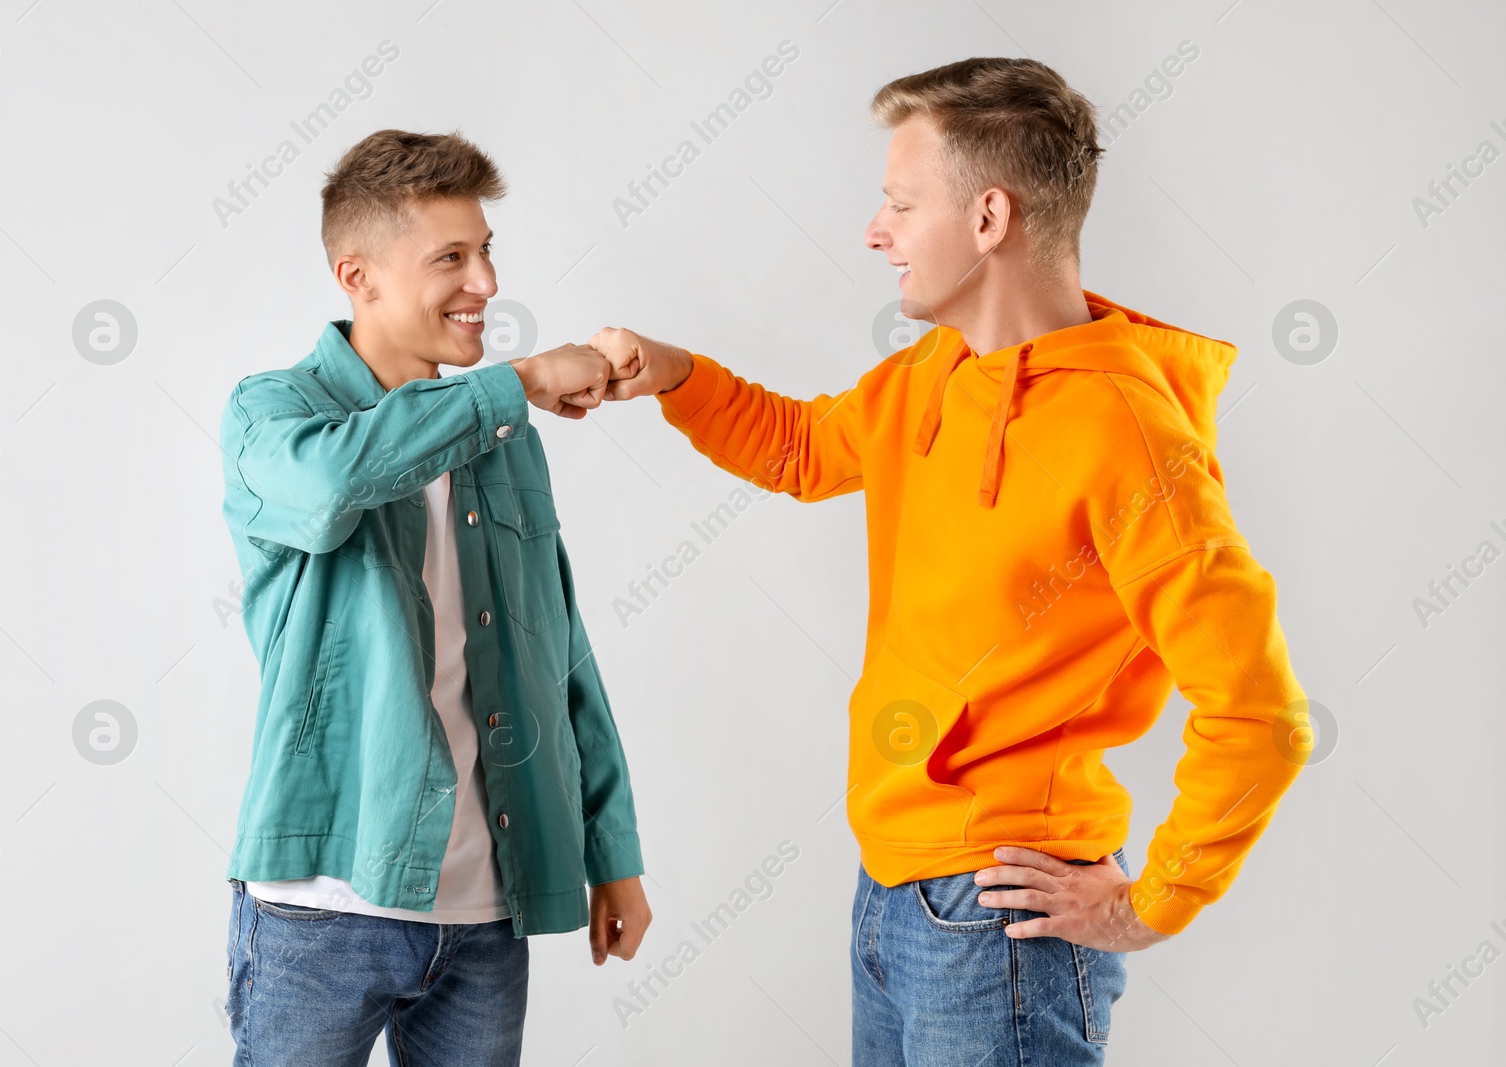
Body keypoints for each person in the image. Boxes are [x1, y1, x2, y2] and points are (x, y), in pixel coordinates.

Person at [590, 57, 1310, 1065]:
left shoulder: (1126, 432)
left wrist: (1154, 901)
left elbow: (1259, 711)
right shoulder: (934, 373)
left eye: (897, 202)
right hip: (891, 893)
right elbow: (802, 449)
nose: (874, 231)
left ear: (987, 218)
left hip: (1003, 924)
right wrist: (672, 375)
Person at [217, 129, 650, 1067]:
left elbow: (560, 650)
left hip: (486, 911)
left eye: (487, 250)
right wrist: (520, 381)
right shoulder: (274, 415)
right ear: (357, 275)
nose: (485, 283)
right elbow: (335, 485)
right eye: (451, 257)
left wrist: (610, 848)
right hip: (322, 903)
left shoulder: (503, 437)